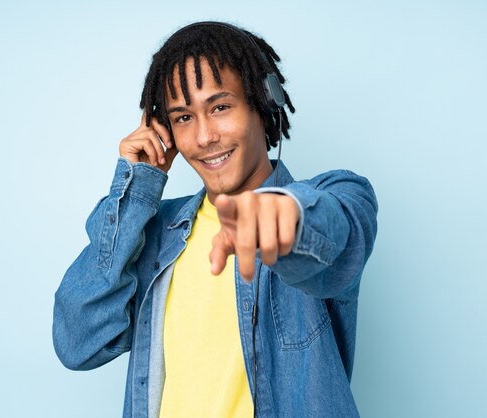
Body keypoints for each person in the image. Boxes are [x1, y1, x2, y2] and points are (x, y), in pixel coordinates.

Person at [53, 21, 378, 418]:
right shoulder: (155, 231)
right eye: (184, 118)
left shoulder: (337, 195)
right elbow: (78, 343)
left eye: (220, 107)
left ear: (264, 103)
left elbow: (336, 230)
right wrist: (137, 189)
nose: (205, 137)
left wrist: (283, 215)